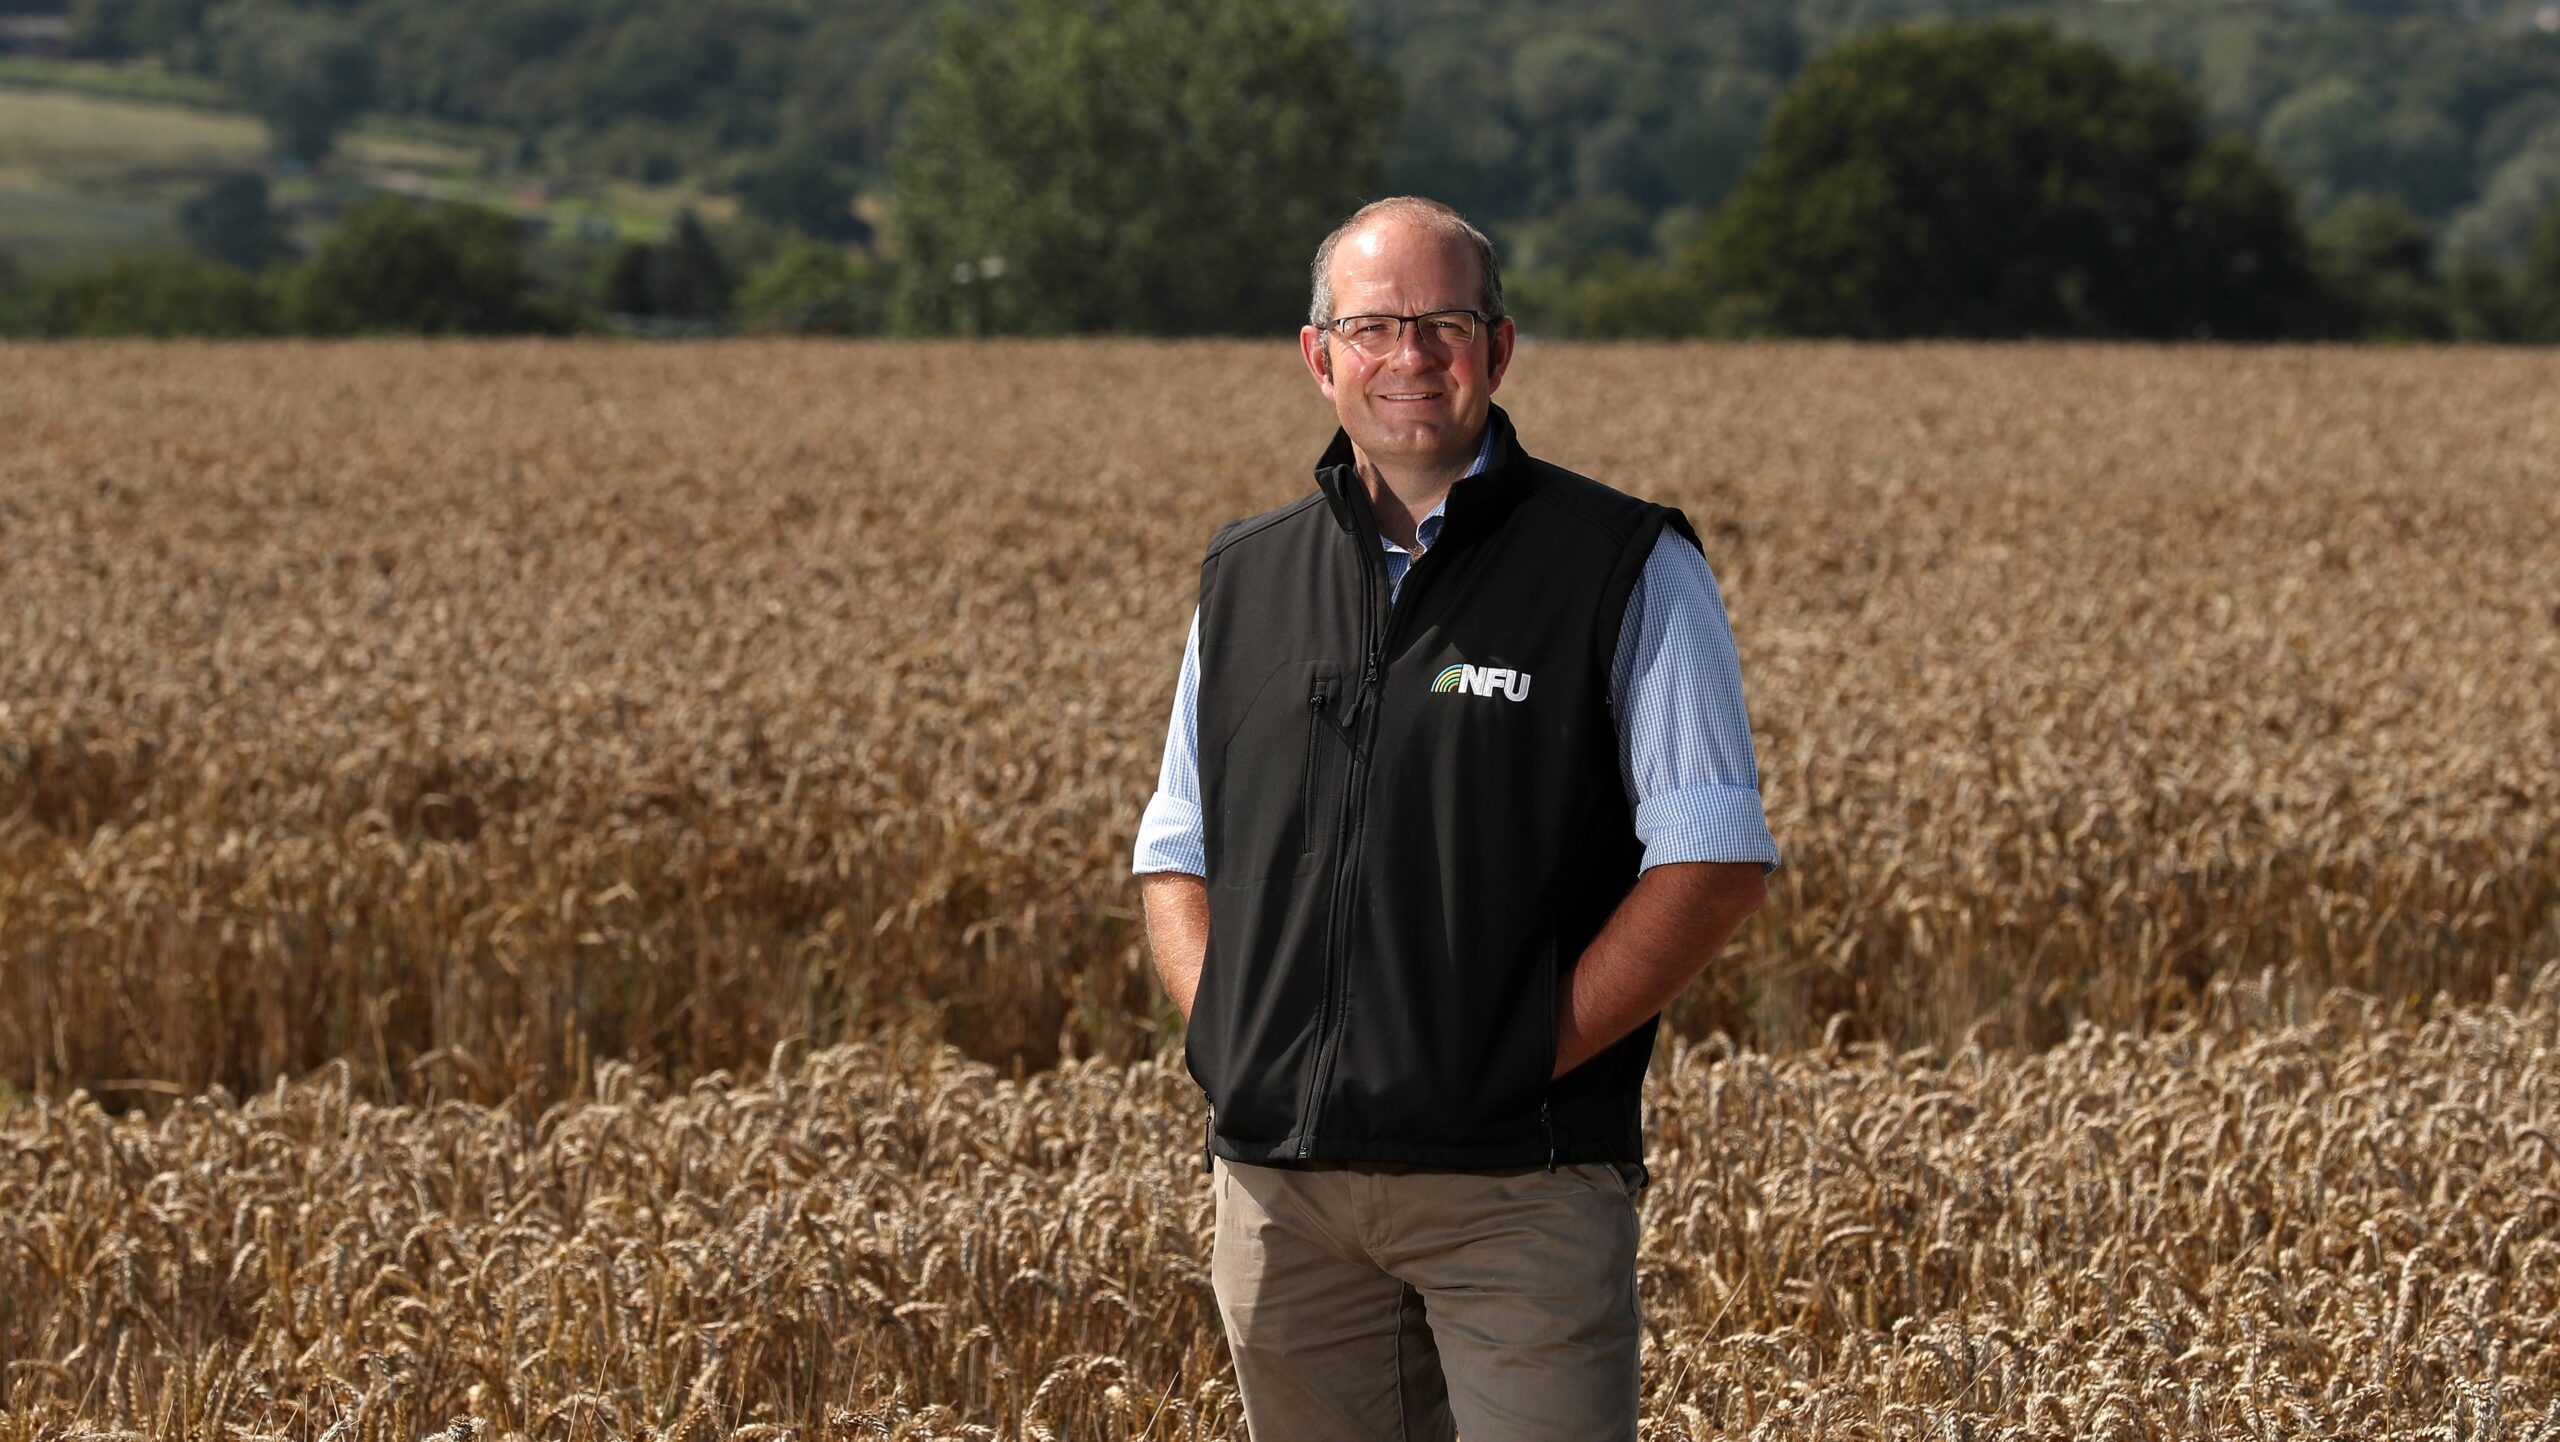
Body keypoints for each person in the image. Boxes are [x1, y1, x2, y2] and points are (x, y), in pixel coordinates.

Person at [1131, 195, 1780, 1442]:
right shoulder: (1246, 575)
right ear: (1319, 356)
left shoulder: (1622, 563)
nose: (1410, 358)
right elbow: (1176, 848)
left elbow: (1711, 860)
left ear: (1500, 345)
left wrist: (1516, 1057)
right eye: (1374, 327)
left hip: (1515, 1194)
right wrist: (1238, 1040)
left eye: (1444, 323)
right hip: (1286, 1195)